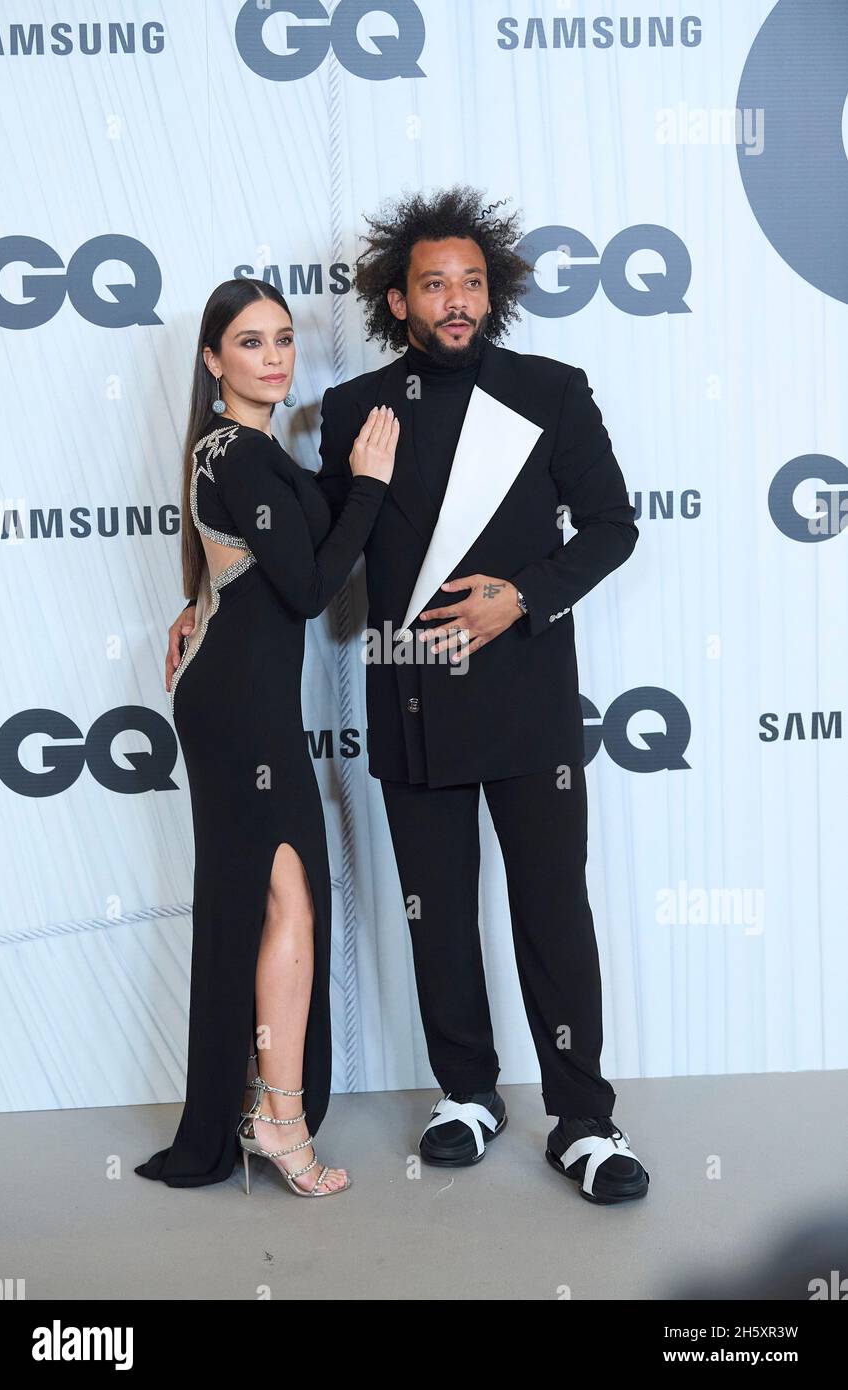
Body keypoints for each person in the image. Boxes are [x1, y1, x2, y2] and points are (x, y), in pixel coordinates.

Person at [167, 185, 649, 1205]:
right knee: (435, 915)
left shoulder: (552, 390)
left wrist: (520, 596)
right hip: (410, 700)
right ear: (399, 301)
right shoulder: (351, 411)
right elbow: (310, 552)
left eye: (471, 282)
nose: (456, 299)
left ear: (495, 292)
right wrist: (203, 597)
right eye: (434, 284)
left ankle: (582, 1119)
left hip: (527, 701)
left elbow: (611, 526)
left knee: (551, 907)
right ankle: (465, 1093)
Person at [137, 279, 397, 1195]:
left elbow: (249, 572)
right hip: (239, 710)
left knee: (281, 897)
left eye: (284, 338)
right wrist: (368, 489)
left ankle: (263, 1108)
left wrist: (193, 605)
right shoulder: (238, 456)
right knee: (287, 897)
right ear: (213, 362)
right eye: (250, 343)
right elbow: (304, 588)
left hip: (242, 700)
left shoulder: (245, 451)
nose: (275, 356)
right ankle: (278, 1122)